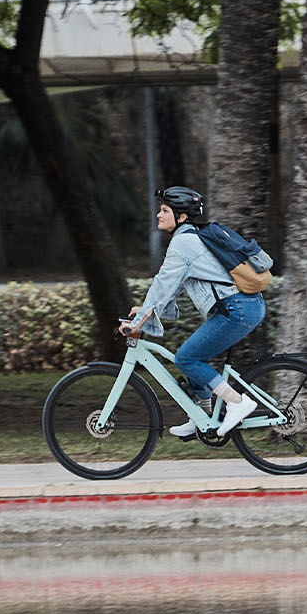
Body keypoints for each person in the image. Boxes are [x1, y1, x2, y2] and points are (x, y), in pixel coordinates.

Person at [120, 186, 272, 438]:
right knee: (195, 358)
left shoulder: (183, 243)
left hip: (237, 310)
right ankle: (201, 416)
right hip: (243, 306)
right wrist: (145, 310)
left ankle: (236, 402)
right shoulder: (191, 238)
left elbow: (162, 283)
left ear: (181, 217)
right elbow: (174, 286)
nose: (158, 215)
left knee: (186, 358)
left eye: (165, 210)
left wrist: (139, 321)